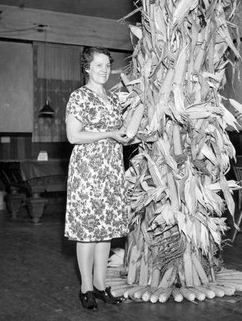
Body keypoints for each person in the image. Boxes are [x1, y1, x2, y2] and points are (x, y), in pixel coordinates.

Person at [65, 46, 132, 310]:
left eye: (107, 65)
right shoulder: (79, 97)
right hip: (88, 172)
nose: (104, 70)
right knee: (88, 233)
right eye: (98, 65)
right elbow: (74, 136)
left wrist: (129, 135)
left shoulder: (114, 99)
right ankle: (85, 289)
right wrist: (109, 134)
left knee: (106, 232)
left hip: (111, 170)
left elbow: (119, 134)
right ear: (87, 68)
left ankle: (101, 286)